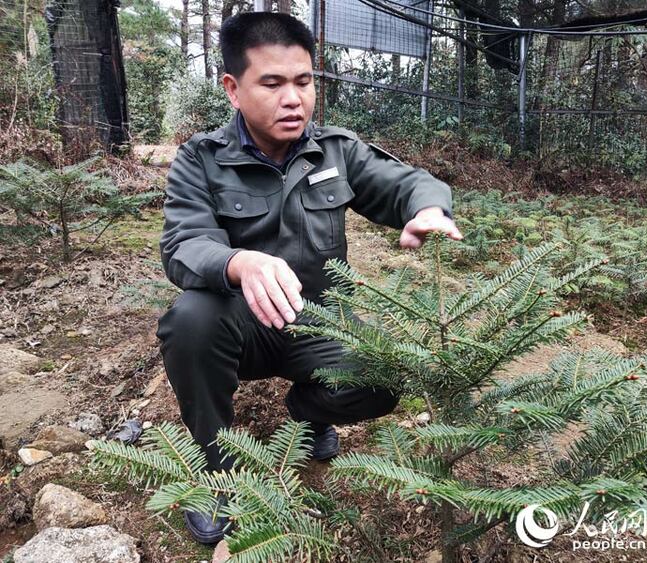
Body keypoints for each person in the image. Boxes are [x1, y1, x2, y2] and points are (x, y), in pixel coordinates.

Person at [156, 11, 462, 544]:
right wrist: (239, 262)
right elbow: (183, 245)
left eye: (304, 81)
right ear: (233, 88)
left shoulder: (336, 151)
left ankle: (305, 414)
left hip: (321, 324)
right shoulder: (200, 160)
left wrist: (429, 208)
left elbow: (406, 184)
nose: (293, 98)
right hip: (239, 324)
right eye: (272, 84)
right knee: (189, 321)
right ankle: (216, 472)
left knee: (384, 374)